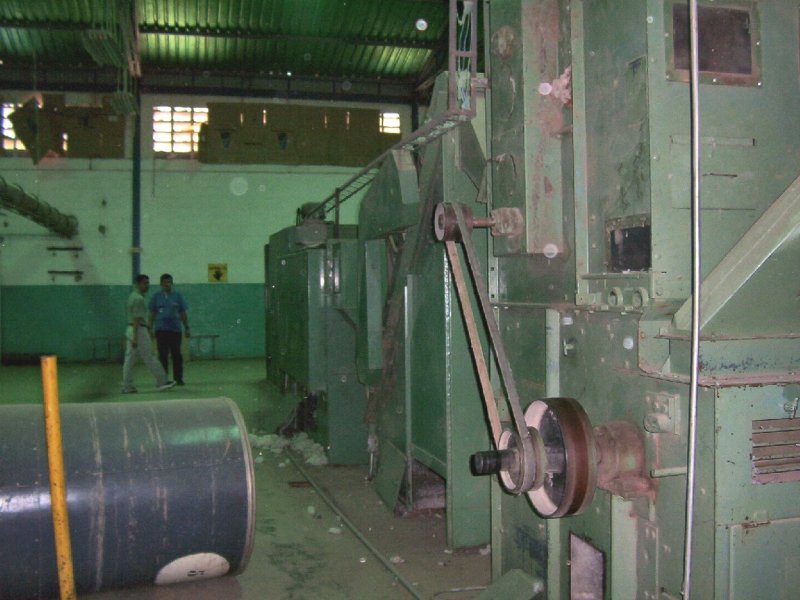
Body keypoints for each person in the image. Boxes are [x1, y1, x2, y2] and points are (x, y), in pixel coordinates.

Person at [122, 274, 176, 393]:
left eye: (148, 283)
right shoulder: (138, 299)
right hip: (138, 330)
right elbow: (137, 318)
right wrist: (136, 337)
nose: (147, 285)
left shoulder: (133, 296)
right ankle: (162, 381)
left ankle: (127, 386)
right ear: (138, 284)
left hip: (132, 329)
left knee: (129, 359)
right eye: (145, 283)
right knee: (150, 356)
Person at [149, 273, 190, 385]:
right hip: (161, 330)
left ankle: (178, 378)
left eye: (169, 282)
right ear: (161, 284)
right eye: (165, 282)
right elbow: (152, 313)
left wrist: (187, 327)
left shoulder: (177, 296)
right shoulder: (156, 297)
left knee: (176, 354)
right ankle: (163, 379)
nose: (167, 284)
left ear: (172, 283)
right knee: (162, 355)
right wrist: (150, 328)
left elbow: (182, 313)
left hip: (175, 330)